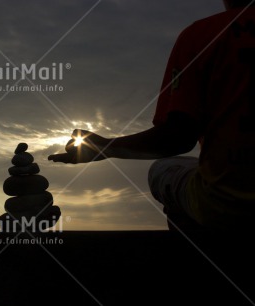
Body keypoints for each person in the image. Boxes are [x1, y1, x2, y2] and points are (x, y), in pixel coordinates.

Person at [49, 0, 255, 230]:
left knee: (163, 169)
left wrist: (106, 148)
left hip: (229, 205)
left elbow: (177, 137)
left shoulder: (202, 35)